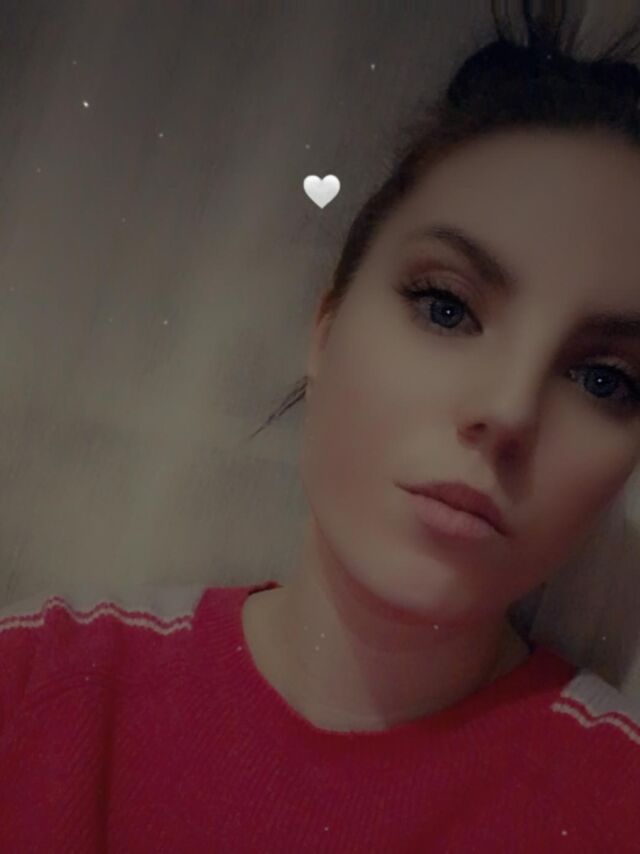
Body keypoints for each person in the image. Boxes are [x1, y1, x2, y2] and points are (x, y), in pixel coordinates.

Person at [2, 1, 640, 851]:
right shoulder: (36, 690)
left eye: (604, 379)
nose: (509, 411)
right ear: (326, 328)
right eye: (446, 307)